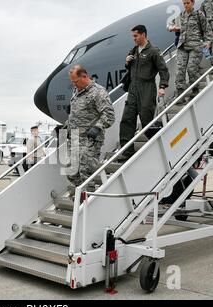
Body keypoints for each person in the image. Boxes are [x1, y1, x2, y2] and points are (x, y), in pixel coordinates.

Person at [119, 25, 170, 161]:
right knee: (127, 118)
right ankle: (126, 151)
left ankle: (160, 143)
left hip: (147, 87)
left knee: (147, 119)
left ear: (143, 35)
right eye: (133, 36)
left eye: (135, 36)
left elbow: (163, 69)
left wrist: (162, 86)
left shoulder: (153, 51)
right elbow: (130, 67)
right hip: (133, 89)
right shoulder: (134, 50)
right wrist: (127, 62)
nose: (134, 39)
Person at [66, 65, 115, 198]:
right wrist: (65, 126)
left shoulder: (98, 92)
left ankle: (88, 202)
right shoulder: (76, 91)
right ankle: (80, 198)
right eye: (72, 82)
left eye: (75, 81)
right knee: (71, 171)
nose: (74, 85)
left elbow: (109, 115)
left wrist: (97, 127)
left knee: (85, 172)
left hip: (90, 139)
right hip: (75, 137)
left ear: (84, 76)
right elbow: (75, 114)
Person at [174, 0, 213, 104]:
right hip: (182, 46)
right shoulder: (181, 15)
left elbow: (207, 30)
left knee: (191, 69)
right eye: (184, 3)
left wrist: (208, 42)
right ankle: (180, 95)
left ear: (193, 3)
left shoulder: (199, 14)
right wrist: (172, 28)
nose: (186, 5)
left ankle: (195, 89)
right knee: (179, 71)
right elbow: (171, 25)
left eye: (187, 3)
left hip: (195, 47)